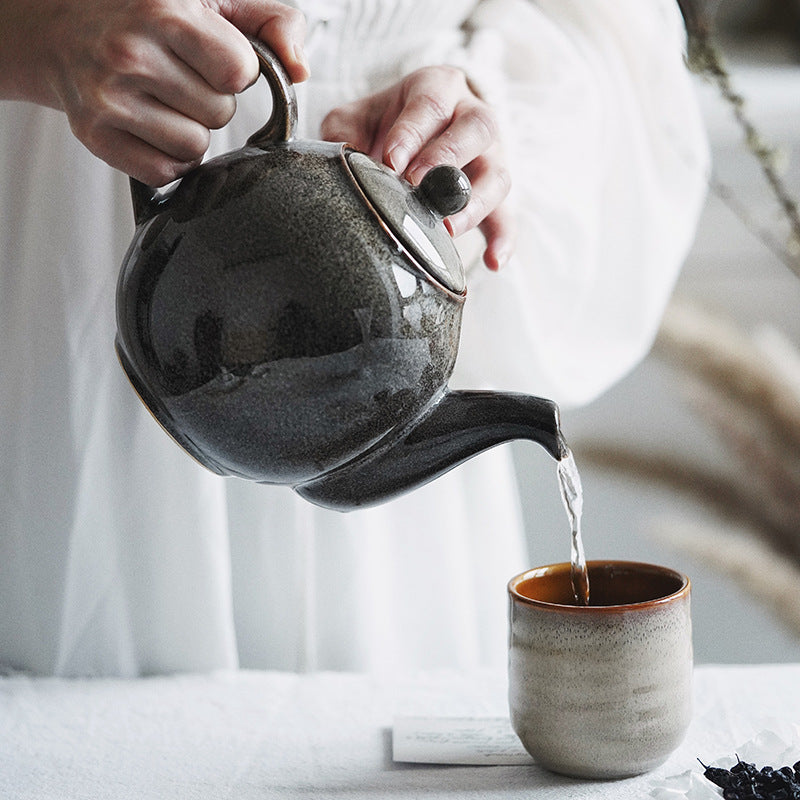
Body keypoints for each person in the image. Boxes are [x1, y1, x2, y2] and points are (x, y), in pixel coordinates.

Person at [0, 0, 708, 677]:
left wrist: (479, 103)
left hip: (389, 291)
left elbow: (608, 29)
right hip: (63, 275)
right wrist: (36, 29)